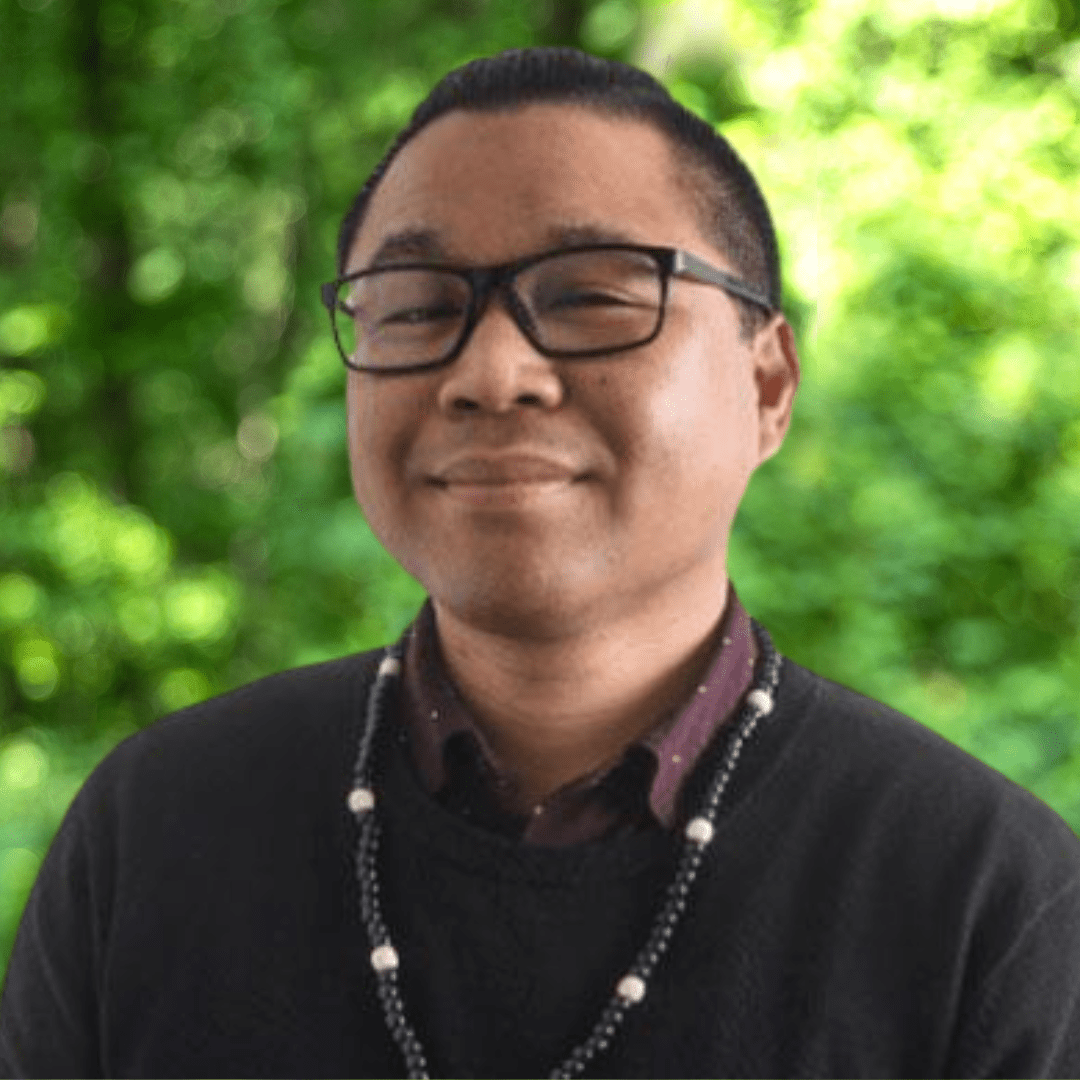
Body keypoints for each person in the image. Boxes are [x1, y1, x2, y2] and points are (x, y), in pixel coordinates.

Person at [2, 45, 1080, 1080]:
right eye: (420, 307)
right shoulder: (157, 834)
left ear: (767, 386)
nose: (492, 371)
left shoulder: (988, 898)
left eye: (592, 296)